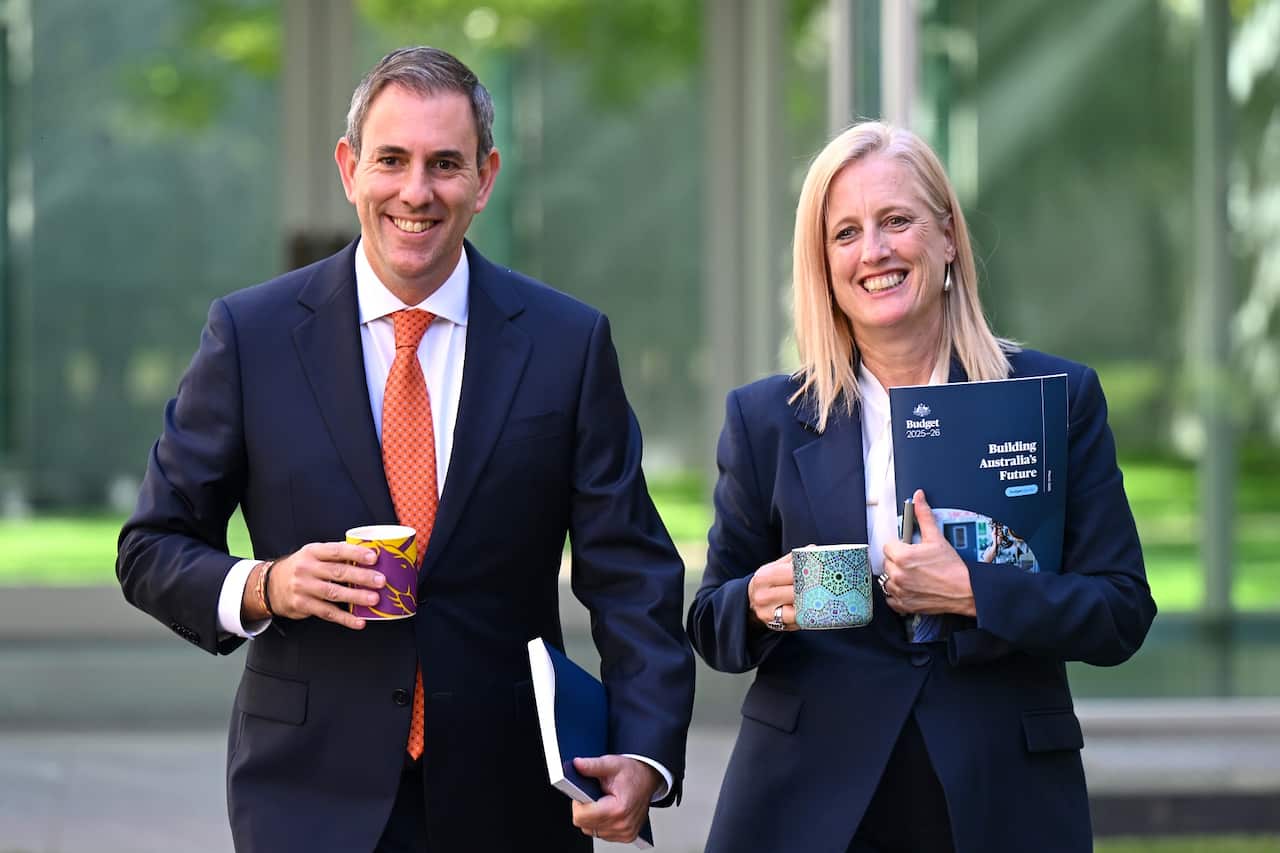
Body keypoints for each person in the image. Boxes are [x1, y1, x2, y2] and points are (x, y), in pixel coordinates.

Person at [116, 46, 694, 853]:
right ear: (350, 168)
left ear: (486, 178)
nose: (415, 192)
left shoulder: (568, 344)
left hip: (512, 801)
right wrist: (268, 584)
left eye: (444, 164)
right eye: (391, 160)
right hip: (306, 798)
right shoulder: (252, 337)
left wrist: (643, 750)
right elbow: (151, 545)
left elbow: (631, 572)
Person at [687, 121, 1156, 853]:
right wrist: (757, 600)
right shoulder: (766, 419)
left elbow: (1121, 611)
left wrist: (975, 589)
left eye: (896, 220)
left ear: (946, 237)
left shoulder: (1052, 397)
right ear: (824, 264)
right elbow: (712, 621)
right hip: (809, 799)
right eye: (846, 233)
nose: (873, 251)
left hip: (999, 792)